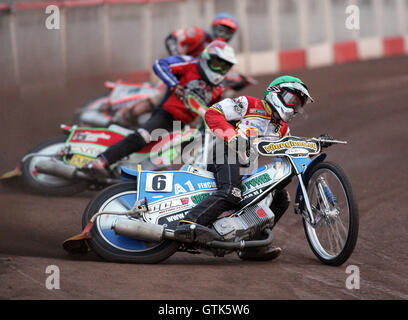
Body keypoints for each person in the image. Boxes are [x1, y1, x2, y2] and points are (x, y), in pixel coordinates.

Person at [175, 75, 314, 261]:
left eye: (298, 105)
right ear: (276, 93)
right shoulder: (248, 103)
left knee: (281, 198)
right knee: (231, 192)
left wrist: (311, 148)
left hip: (246, 166)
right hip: (223, 151)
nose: (294, 108)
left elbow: (289, 151)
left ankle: (252, 247)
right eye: (292, 100)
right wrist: (232, 136)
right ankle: (188, 224)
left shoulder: (282, 128)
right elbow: (212, 113)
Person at [83, 40, 238, 175]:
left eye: (224, 67)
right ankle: (101, 160)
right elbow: (160, 64)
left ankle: (137, 173)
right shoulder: (190, 64)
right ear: (207, 58)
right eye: (217, 64)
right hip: (166, 114)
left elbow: (211, 113)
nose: (219, 69)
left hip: (183, 125)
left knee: (175, 155)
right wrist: (174, 83)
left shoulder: (218, 89)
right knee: (143, 137)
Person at [165, 13, 238, 57]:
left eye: (227, 33)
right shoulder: (198, 34)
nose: (222, 36)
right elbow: (172, 37)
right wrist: (179, 58)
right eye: (220, 31)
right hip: (183, 73)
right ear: (213, 28)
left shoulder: (224, 50)